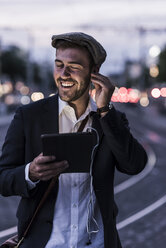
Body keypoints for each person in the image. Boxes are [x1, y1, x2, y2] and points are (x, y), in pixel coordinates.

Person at [0, 32, 147, 248]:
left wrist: (105, 110)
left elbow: (134, 164)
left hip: (97, 243)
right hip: (46, 243)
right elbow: (3, 178)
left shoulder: (108, 119)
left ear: (94, 73)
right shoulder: (28, 116)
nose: (64, 74)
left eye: (74, 67)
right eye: (59, 65)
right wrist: (30, 172)